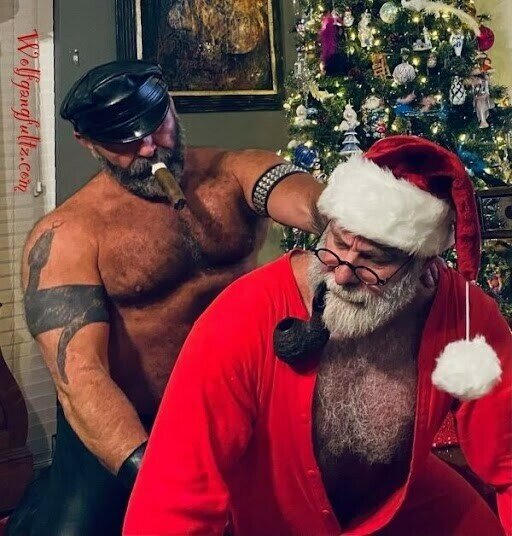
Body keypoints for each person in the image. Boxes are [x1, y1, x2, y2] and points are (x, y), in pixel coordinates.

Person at [124, 136, 512, 536]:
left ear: (425, 266)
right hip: (277, 521)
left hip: (401, 508)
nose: (341, 275)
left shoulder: (464, 315)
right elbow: (172, 495)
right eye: (337, 243)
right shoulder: (243, 315)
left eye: (373, 260)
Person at [6, 59, 325, 536]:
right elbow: (82, 378)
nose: (148, 147)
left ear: (171, 105)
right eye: (124, 142)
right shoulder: (69, 234)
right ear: (87, 142)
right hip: (130, 425)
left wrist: (342, 216)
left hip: (239, 407)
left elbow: (292, 191)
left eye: (157, 125)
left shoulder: (234, 173)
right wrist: (155, 473)